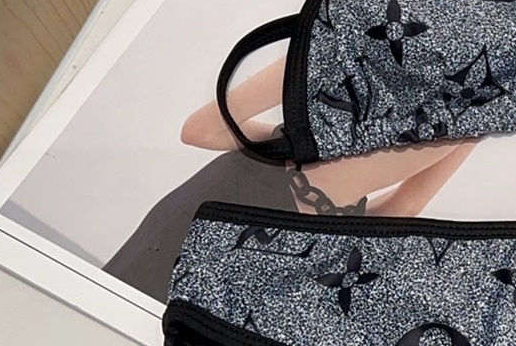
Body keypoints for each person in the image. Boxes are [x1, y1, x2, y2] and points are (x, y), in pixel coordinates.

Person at [103, 55, 474, 300]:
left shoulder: (348, 41)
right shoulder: (481, 102)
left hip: (246, 204)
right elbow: (404, 208)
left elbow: (202, 129)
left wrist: (286, 142)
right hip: (292, 242)